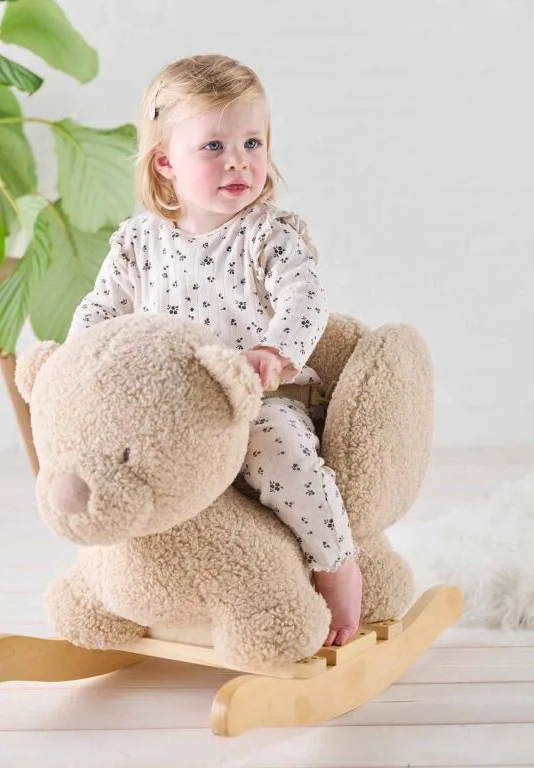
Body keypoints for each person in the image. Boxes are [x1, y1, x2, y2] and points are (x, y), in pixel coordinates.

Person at [67, 54, 362, 646]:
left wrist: (272, 351)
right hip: (173, 412)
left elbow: (305, 298)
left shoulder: (266, 235)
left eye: (253, 141)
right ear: (166, 163)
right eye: (214, 146)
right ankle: (110, 586)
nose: (239, 160)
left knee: (277, 446)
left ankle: (336, 562)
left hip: (256, 398)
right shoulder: (138, 243)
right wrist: (79, 363)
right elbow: (101, 310)